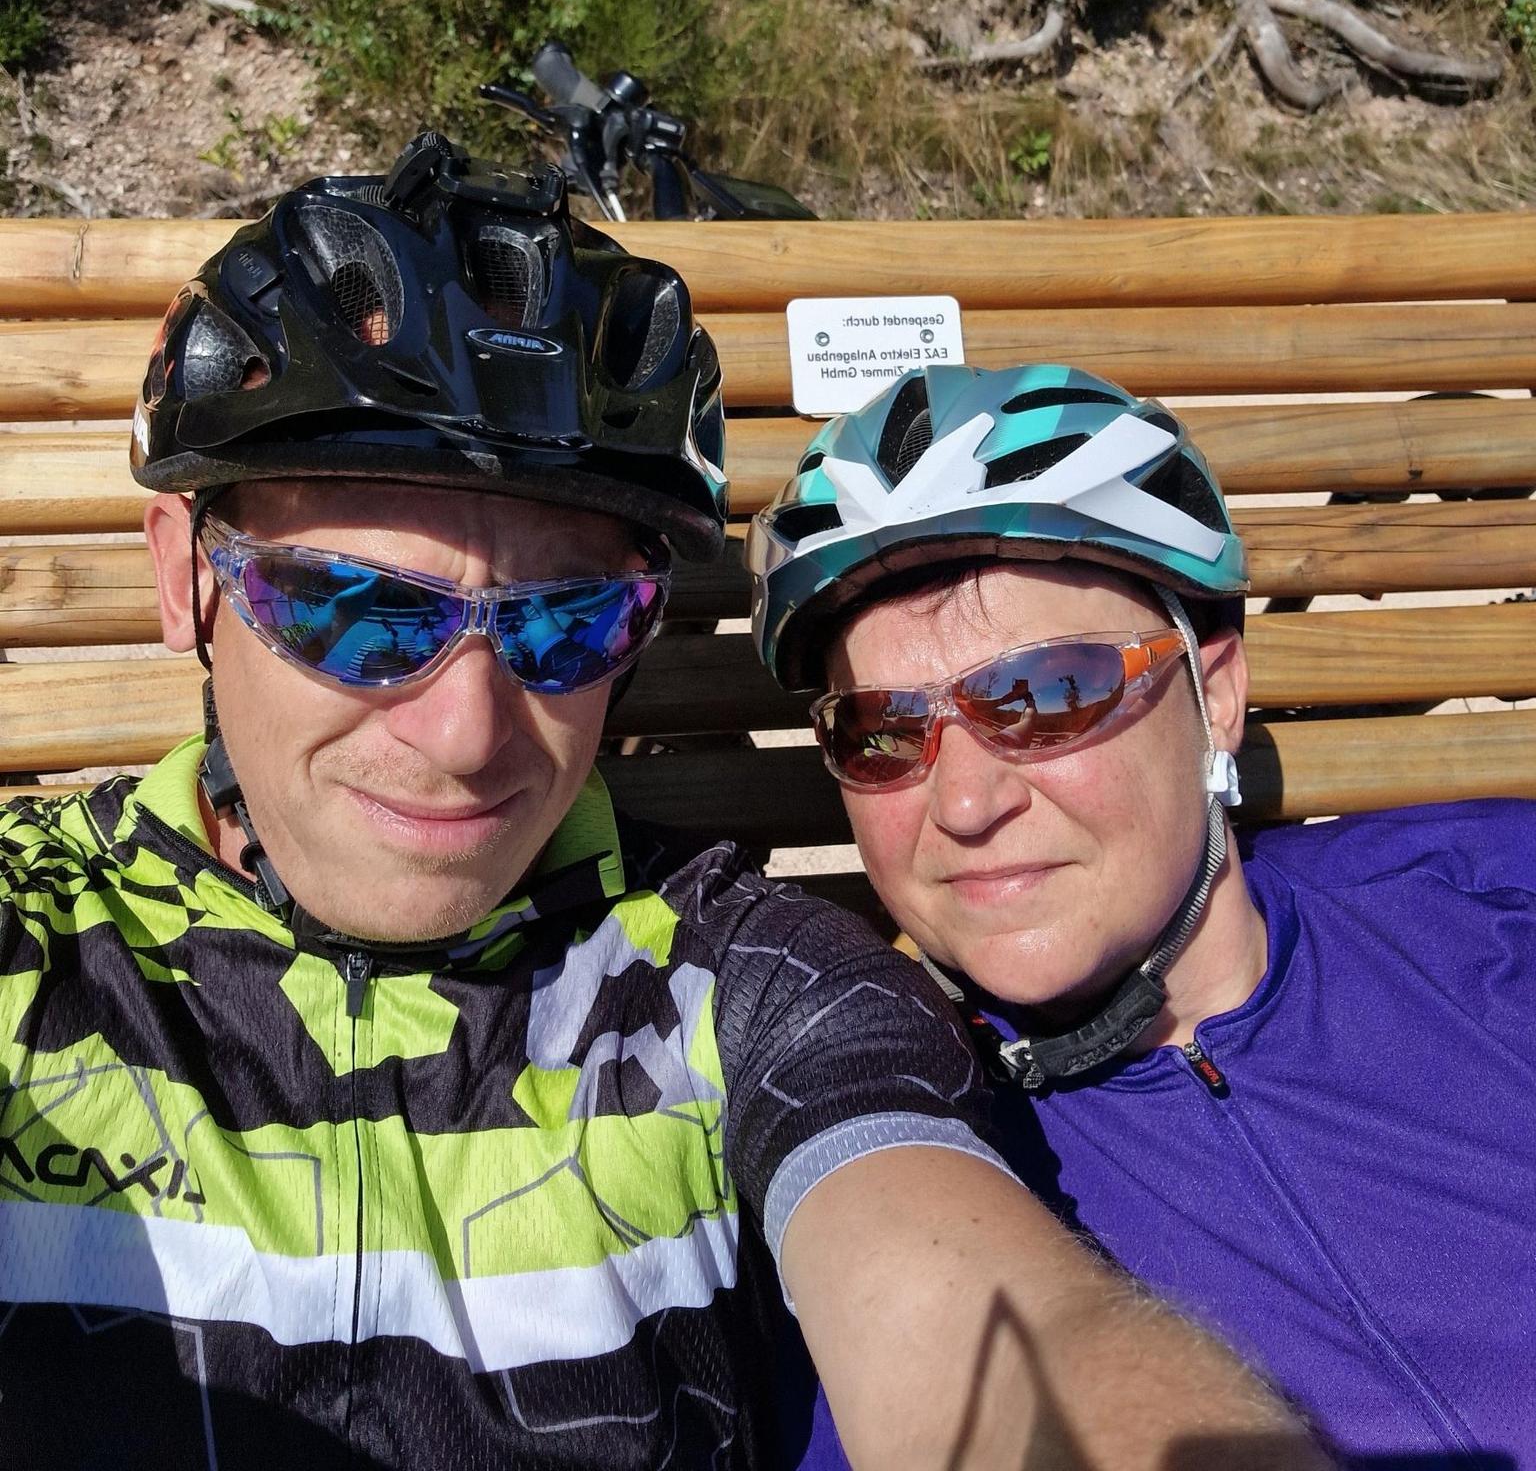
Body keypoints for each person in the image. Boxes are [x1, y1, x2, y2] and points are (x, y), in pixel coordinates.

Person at [0, 145, 1320, 1471]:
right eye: (358, 609)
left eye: (569, 622)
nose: (466, 735)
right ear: (187, 582)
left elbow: (979, 1321)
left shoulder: (740, 975)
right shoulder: (28, 928)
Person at [748, 359, 1536, 1471]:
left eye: (1047, 692)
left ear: (1216, 693)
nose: (964, 804)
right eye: (881, 731)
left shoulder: (1491, 895)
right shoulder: (870, 1155)